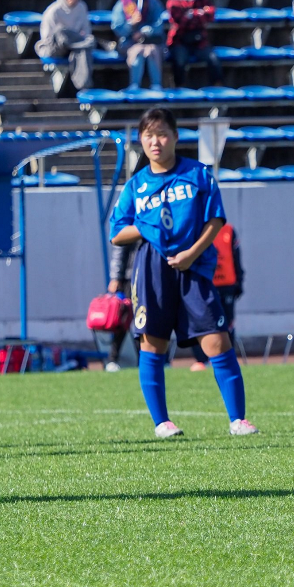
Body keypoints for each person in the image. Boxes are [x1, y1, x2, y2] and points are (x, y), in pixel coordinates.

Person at [109, 107, 256, 438]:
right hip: (151, 270)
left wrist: (192, 254)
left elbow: (216, 219)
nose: (155, 141)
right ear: (141, 142)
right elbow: (117, 233)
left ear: (175, 136)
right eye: (148, 136)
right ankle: (162, 422)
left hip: (194, 266)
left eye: (161, 134)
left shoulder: (198, 175)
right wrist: (144, 227)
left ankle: (238, 419)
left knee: (217, 340)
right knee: (153, 344)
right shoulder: (136, 185)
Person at [191, 221, 244, 371]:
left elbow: (236, 257)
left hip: (227, 285)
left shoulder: (229, 230)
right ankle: (201, 360)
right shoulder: (196, 228)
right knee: (201, 322)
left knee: (227, 324)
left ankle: (228, 357)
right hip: (205, 284)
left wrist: (239, 282)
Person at [35, 0, 95, 92]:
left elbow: (86, 31)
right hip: (55, 47)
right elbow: (47, 37)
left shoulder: (82, 7)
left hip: (76, 45)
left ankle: (84, 85)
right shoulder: (53, 11)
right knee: (61, 32)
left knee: (84, 47)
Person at [165, 0, 221, 87]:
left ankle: (217, 87)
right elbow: (179, 21)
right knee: (179, 60)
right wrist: (199, 14)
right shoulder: (173, 1)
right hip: (179, 41)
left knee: (213, 59)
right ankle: (179, 86)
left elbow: (210, 14)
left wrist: (191, 15)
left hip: (199, 41)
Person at [111, 0, 165, 90]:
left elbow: (159, 24)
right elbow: (117, 28)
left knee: (151, 51)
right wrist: (130, 25)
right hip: (129, 43)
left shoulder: (152, 2)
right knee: (138, 51)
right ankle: (134, 85)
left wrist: (146, 31)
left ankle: (156, 85)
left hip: (151, 41)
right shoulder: (121, 5)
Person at [101, 240, 139, 372]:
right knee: (123, 320)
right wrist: (116, 277)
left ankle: (147, 359)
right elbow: (120, 249)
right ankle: (112, 359)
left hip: (148, 274)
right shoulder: (131, 222)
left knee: (145, 321)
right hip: (130, 276)